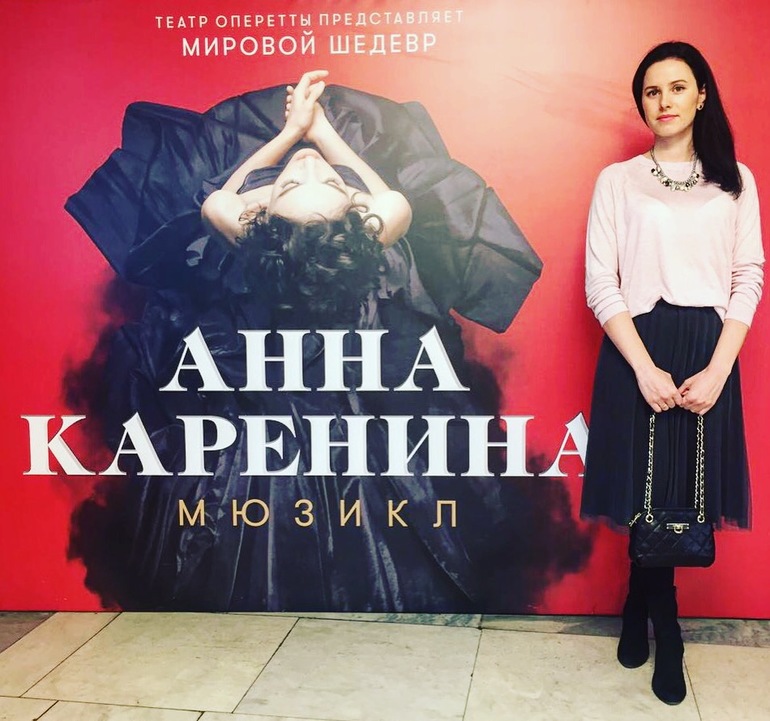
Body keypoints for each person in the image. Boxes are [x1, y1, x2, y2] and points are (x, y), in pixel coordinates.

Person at [65, 70, 592, 612]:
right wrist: (323, 135)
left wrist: (288, 135)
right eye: (308, 179)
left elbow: (219, 199)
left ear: (262, 221)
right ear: (358, 220)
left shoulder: (254, 243)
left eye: (301, 181)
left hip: (273, 436)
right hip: (340, 424)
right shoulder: (368, 236)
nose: (308, 165)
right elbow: (389, 197)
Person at [581, 41, 764, 705]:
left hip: (707, 352)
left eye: (677, 87)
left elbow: (748, 276)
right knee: (644, 493)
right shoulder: (618, 180)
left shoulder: (735, 180)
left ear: (702, 94)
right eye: (652, 91)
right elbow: (601, 281)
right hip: (638, 347)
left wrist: (719, 368)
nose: (664, 101)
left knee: (683, 497)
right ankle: (668, 627)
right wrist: (643, 366)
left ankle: (638, 603)